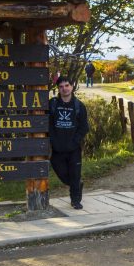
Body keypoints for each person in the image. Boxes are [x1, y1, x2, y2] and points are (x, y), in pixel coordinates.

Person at [49, 75, 89, 209]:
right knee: (63, 174)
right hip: (57, 149)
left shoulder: (79, 106)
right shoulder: (53, 104)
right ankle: (77, 184)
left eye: (67, 85)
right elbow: (48, 125)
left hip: (74, 149)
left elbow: (84, 127)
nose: (64, 89)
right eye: (61, 86)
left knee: (75, 174)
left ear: (72, 86)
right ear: (58, 89)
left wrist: (75, 141)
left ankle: (75, 201)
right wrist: (53, 141)